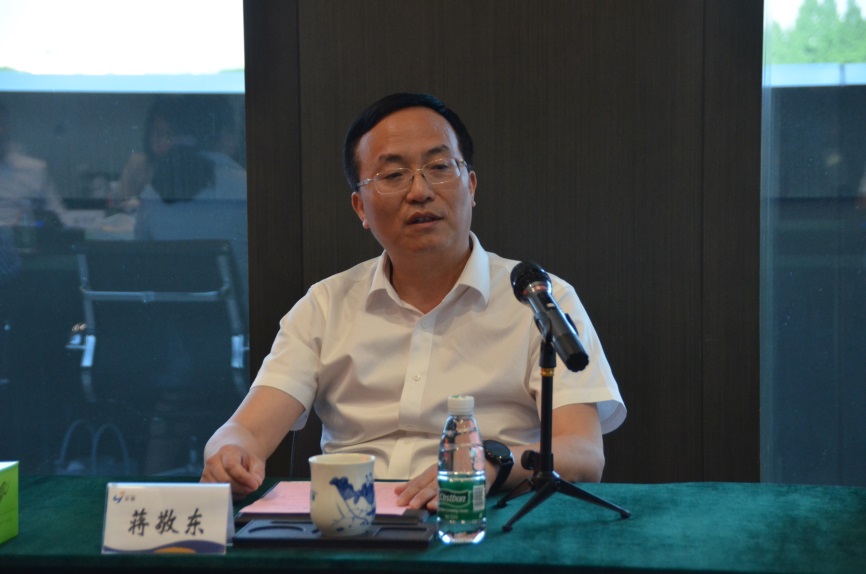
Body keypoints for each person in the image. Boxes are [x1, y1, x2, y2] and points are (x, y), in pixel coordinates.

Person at [201, 93, 625, 511]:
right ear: (360, 207)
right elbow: (245, 431)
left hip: (481, 517)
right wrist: (229, 453)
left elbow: (583, 453)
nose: (420, 191)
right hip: (352, 523)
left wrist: (491, 461)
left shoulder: (540, 298)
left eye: (439, 167)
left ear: (471, 186)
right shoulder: (325, 305)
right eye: (393, 175)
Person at [133, 94, 248, 305]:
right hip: (242, 319)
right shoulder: (248, 188)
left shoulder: (155, 191)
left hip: (170, 318)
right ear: (226, 134)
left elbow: (140, 261)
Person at [0, 102, 65, 230]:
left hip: (23, 239)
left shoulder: (35, 169)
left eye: (1, 125)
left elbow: (57, 216)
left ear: (7, 129)